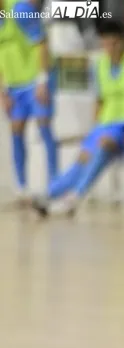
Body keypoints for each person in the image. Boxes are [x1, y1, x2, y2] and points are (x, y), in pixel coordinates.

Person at [30, 20, 124, 217]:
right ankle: (51, 194)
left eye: (113, 43)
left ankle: (74, 197)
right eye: (106, 44)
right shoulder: (100, 65)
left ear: (122, 42)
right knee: (84, 156)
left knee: (103, 146)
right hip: (107, 124)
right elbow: (99, 100)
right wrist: (93, 134)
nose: (110, 49)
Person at [0, 0, 58, 204]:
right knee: (16, 130)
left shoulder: (20, 9)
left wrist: (42, 80)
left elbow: (41, 42)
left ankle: (54, 184)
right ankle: (22, 187)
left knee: (44, 126)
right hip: (14, 85)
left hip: (36, 79)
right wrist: (3, 91)